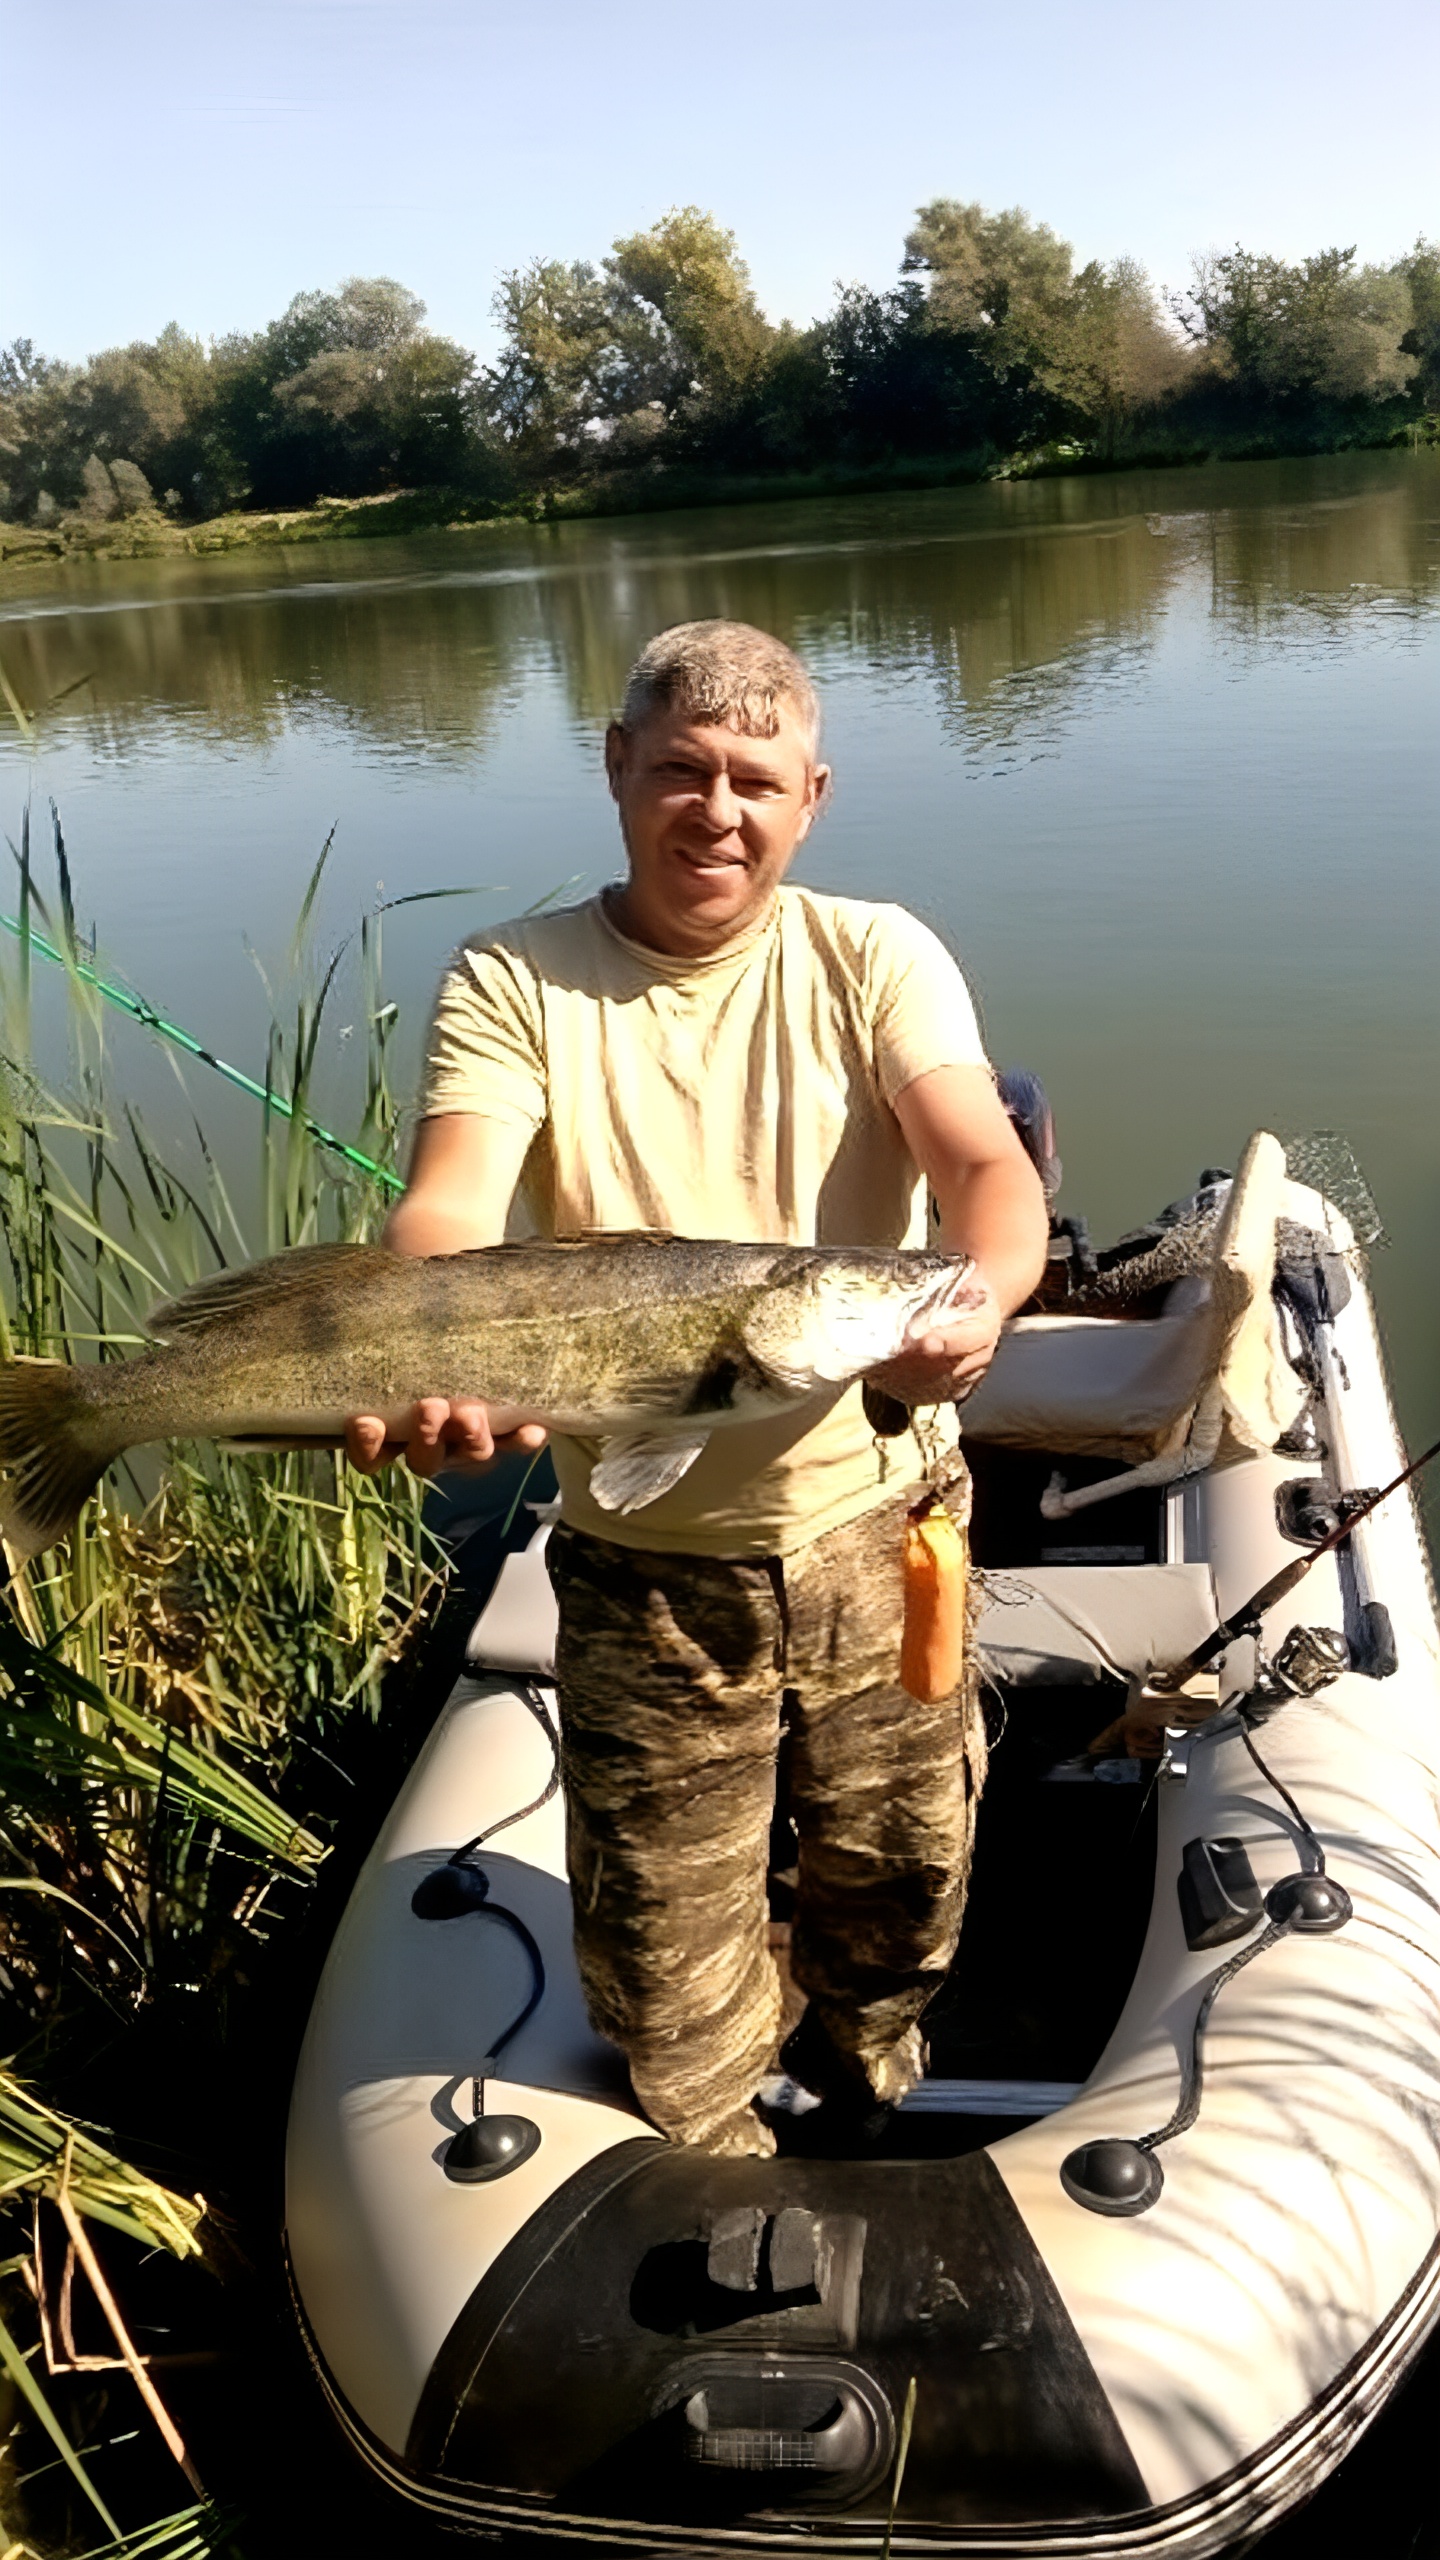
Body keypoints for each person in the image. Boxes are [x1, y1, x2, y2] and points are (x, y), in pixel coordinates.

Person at [347, 620, 1048, 2157]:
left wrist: (980, 1298)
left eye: (753, 780)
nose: (716, 811)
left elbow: (985, 1165)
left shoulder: (874, 953)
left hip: (883, 1535)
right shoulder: (514, 976)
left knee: (904, 1897)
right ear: (617, 768)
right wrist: (431, 1349)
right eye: (680, 771)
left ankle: (870, 2088)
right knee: (664, 1990)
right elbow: (450, 1213)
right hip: (647, 1581)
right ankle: (716, 2168)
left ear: (813, 796)